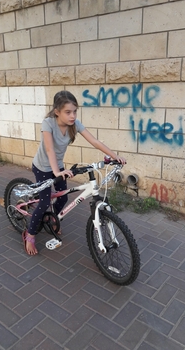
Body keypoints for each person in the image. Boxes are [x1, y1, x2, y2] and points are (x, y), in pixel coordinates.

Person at [22, 90, 126, 255]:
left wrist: (115, 156)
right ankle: (30, 234)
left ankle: (52, 218)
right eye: (68, 112)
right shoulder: (48, 123)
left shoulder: (74, 124)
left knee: (63, 196)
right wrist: (56, 172)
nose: (72, 115)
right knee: (44, 202)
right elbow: (49, 149)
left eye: (75, 111)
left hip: (59, 168)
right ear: (57, 112)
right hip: (43, 167)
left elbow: (94, 141)